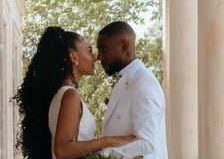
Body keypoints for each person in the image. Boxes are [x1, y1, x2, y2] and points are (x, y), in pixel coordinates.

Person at [14, 26, 137, 159]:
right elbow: (63, 150)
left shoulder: (63, 94)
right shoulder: (70, 95)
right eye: (89, 51)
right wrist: (109, 141)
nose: (95, 58)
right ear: (73, 57)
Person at [97, 21, 168, 159]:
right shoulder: (128, 79)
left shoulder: (143, 82)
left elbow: (146, 143)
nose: (99, 56)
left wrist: (101, 155)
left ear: (125, 46)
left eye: (103, 49)